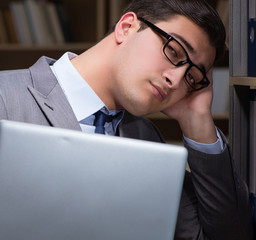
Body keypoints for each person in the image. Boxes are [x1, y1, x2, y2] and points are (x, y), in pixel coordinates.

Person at [0, 0, 254, 239]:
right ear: (126, 27)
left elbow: (230, 234)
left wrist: (198, 123)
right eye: (174, 51)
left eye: (191, 77)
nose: (176, 81)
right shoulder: (5, 97)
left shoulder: (147, 139)